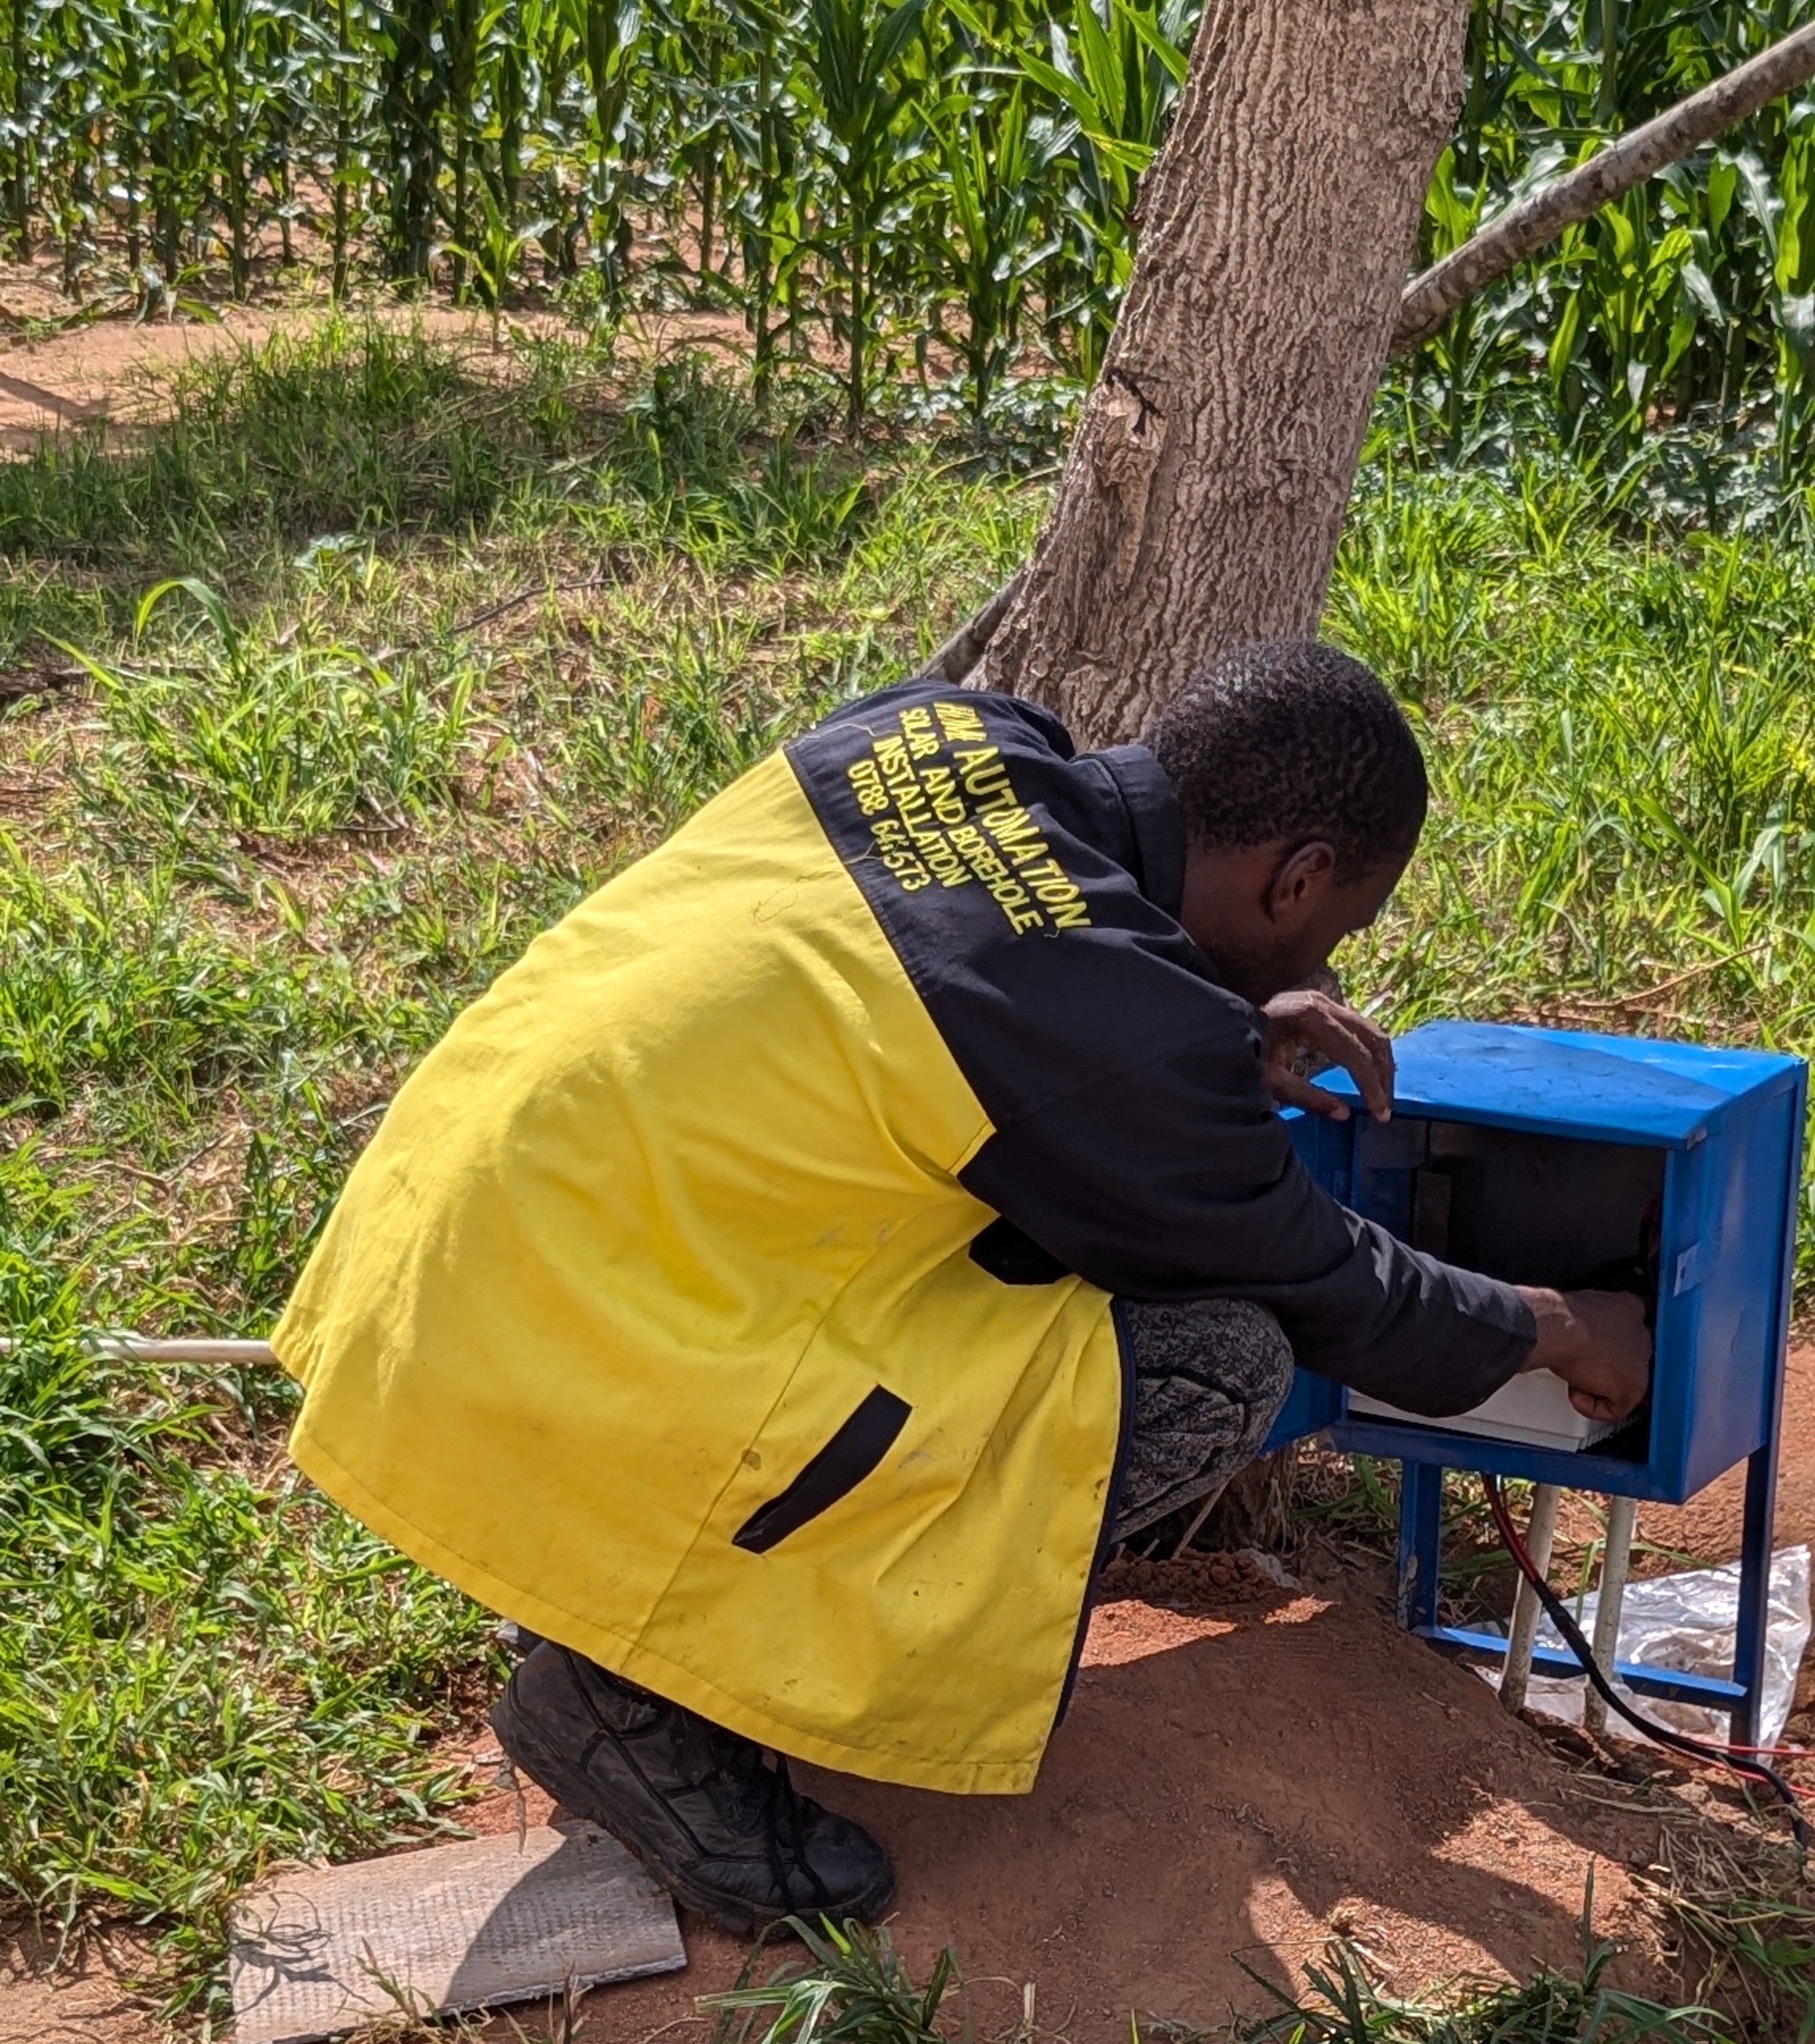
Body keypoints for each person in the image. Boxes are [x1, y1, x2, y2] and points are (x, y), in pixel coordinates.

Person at [274, 640, 1650, 1932]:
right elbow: (1338, 1292)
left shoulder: (942, 731)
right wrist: (1572, 1327)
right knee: (1220, 1360)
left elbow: (1010, 965)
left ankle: (614, 1572)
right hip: (576, 1347)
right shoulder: (1117, 1033)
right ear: (1296, 879)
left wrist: (1220, 1024)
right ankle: (632, 1705)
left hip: (438, 1264)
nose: (1326, 963)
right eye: (1331, 926)